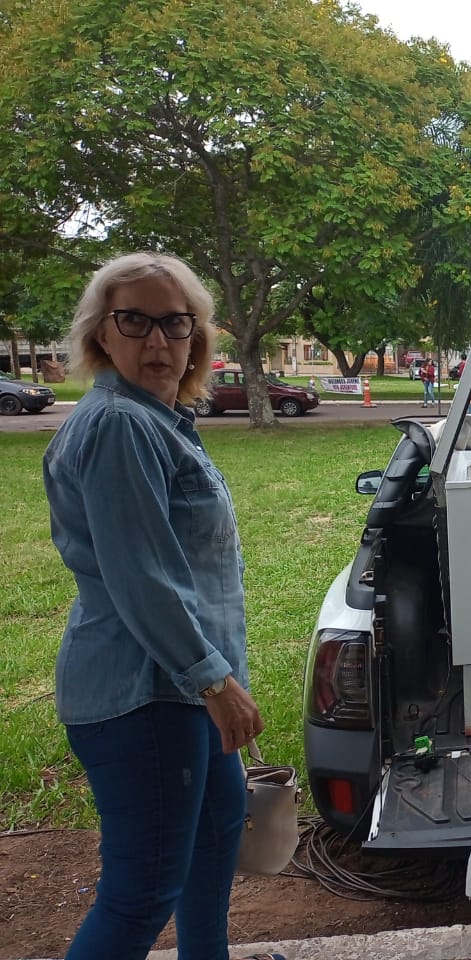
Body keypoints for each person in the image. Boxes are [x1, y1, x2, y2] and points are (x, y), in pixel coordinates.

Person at [43, 253, 280, 960]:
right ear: (101, 335)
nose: (157, 342)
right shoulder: (120, 425)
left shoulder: (159, 419)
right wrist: (214, 680)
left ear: (196, 335)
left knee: (213, 845)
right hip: (144, 696)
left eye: (174, 323)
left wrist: (213, 683)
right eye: (135, 322)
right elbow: (142, 577)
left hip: (186, 691)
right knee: (141, 892)